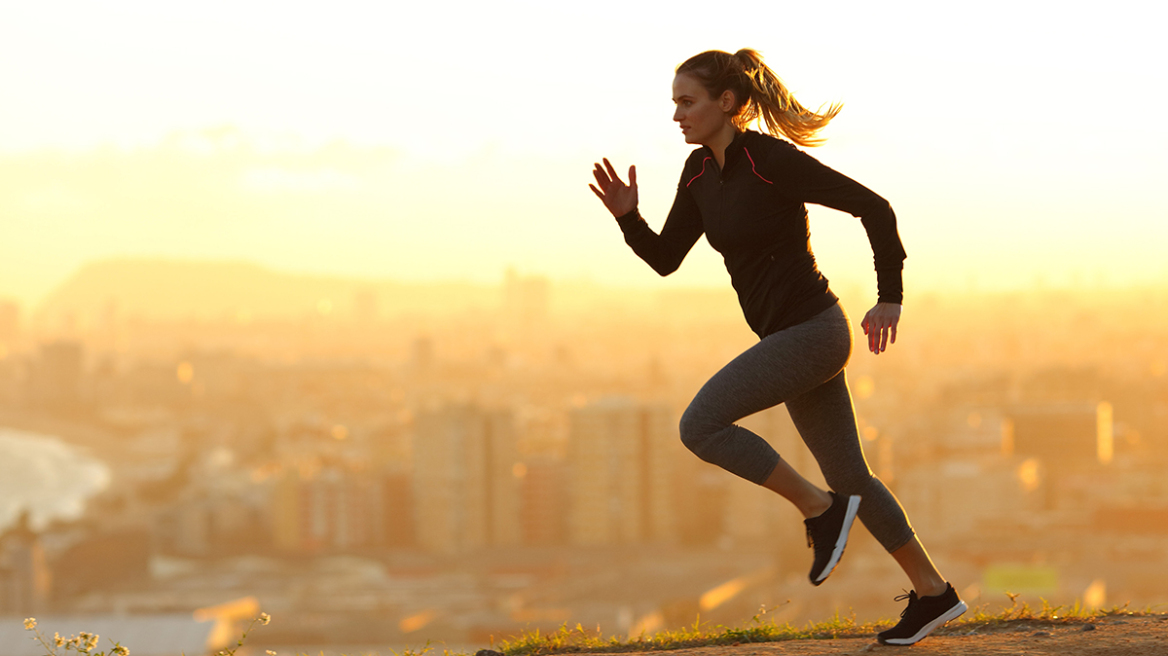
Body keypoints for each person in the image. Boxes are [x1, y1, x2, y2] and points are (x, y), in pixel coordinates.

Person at [588, 49, 966, 646]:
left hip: (814, 332)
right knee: (852, 475)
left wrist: (889, 296)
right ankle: (934, 592)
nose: (677, 115)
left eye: (687, 102)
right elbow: (665, 259)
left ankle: (820, 509)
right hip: (789, 339)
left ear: (727, 102)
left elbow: (875, 208)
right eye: (674, 104)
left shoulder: (770, 161)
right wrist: (629, 219)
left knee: (700, 425)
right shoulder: (697, 173)